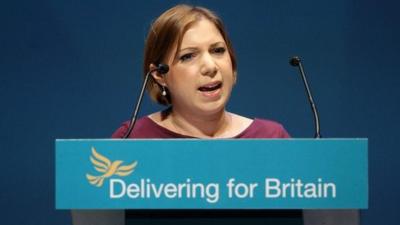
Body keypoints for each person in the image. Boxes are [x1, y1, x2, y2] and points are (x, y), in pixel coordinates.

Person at [112, 4, 289, 139]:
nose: (210, 67)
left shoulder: (271, 138)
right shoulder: (133, 139)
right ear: (159, 75)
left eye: (218, 50)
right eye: (188, 56)